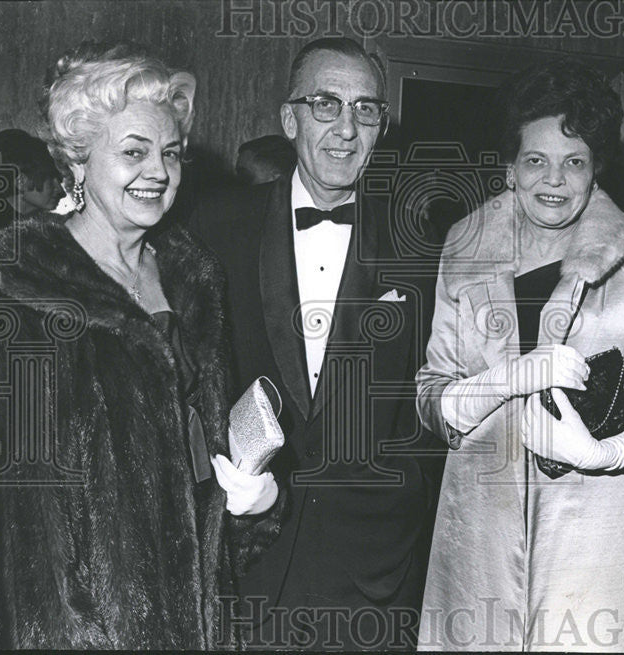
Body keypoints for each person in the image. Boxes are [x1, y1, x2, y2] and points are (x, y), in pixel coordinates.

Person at [0, 42, 280, 649]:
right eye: (133, 152)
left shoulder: (193, 276)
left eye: (170, 153)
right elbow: (20, 511)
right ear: (77, 159)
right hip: (81, 623)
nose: (158, 171)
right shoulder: (24, 288)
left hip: (201, 610)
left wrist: (254, 494)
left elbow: (208, 444)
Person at [415, 60, 624, 652]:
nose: (555, 179)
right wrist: (503, 382)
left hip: (593, 550)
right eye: (536, 159)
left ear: (596, 171)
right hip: (477, 550)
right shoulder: (463, 248)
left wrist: (602, 453)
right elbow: (431, 394)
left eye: (575, 162)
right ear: (510, 168)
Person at [189, 37, 436, 650]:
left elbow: (431, 406)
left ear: (382, 127)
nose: (346, 129)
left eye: (366, 109)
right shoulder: (215, 227)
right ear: (289, 118)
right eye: (326, 104)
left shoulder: (423, 247)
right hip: (247, 561)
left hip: (375, 569)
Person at [0, 129, 64, 257]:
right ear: (20, 181)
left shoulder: (51, 228)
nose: (60, 190)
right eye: (50, 179)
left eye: (58, 179)